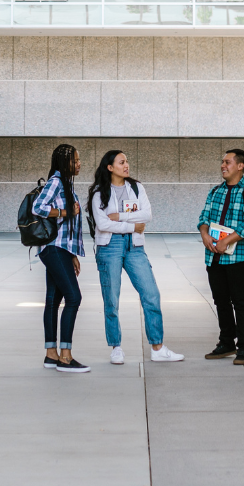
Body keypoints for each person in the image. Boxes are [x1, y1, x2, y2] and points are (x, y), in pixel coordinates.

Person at [88, 150, 185, 365]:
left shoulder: (136, 187)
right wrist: (132, 225)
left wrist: (121, 217)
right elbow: (102, 224)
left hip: (135, 247)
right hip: (109, 246)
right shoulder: (99, 192)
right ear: (110, 167)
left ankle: (157, 347)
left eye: (127, 161)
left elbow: (147, 215)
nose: (126, 165)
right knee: (111, 299)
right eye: (121, 162)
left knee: (151, 293)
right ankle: (116, 347)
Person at [197, 149, 244, 365]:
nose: (223, 165)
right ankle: (226, 343)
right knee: (220, 301)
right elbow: (204, 216)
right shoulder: (215, 191)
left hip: (239, 257)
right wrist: (204, 233)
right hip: (214, 256)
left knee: (240, 301)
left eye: (227, 162)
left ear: (240, 166)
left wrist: (227, 240)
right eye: (222, 162)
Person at [32, 143, 90, 373]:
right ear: (64, 162)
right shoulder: (56, 182)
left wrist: (73, 254)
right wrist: (66, 212)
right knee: (74, 298)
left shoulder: (66, 184)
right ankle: (65, 357)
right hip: (54, 248)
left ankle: (50, 354)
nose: (79, 164)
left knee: (54, 301)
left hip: (61, 249)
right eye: (75, 160)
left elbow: (70, 228)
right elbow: (38, 207)